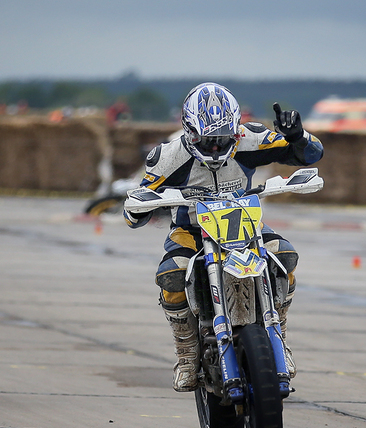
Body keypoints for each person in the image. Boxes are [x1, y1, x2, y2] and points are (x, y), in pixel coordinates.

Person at [124, 82, 324, 392]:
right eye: (208, 141)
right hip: (190, 229)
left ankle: (279, 335)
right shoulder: (167, 156)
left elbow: (308, 155)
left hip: (243, 222)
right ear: (189, 132)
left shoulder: (251, 137)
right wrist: (138, 208)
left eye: (223, 140)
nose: (216, 148)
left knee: (284, 255)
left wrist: (297, 135)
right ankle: (187, 353)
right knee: (172, 274)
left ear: (235, 130)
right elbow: (135, 207)